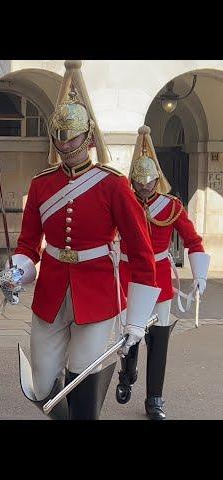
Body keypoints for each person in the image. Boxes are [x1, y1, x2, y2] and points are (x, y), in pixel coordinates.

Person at [10, 61, 159, 420]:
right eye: (60, 136)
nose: (65, 143)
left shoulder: (113, 184)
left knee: (82, 375)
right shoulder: (41, 185)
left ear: (88, 137)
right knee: (43, 385)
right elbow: (29, 245)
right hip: (51, 291)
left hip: (96, 291)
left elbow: (141, 253)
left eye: (72, 136)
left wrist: (137, 320)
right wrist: (16, 272)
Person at [115, 126, 210, 420]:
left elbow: (193, 241)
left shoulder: (172, 206)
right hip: (129, 273)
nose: (143, 188)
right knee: (129, 335)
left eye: (148, 182)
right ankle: (127, 373)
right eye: (139, 182)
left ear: (157, 179)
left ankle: (154, 397)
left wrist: (200, 274)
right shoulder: (123, 202)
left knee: (158, 339)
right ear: (132, 180)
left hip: (158, 276)